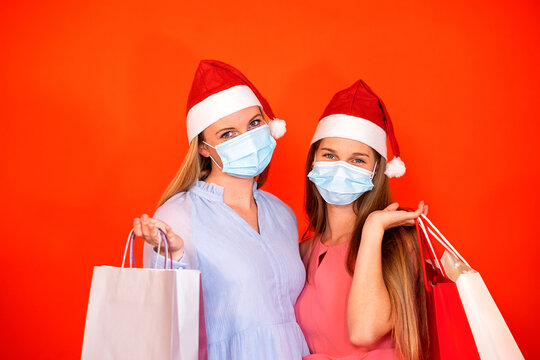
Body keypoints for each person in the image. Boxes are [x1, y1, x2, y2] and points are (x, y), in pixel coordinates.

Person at [133, 60, 309, 359]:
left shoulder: (282, 214)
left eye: (254, 124)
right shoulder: (178, 215)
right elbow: (163, 324)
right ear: (203, 147)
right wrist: (173, 256)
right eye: (227, 134)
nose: (246, 137)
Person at [294, 80, 429, 360]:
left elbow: (363, 332)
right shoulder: (304, 253)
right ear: (313, 161)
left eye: (357, 160)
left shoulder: (398, 244)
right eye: (329, 155)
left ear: (377, 170)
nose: (340, 168)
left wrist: (372, 230)